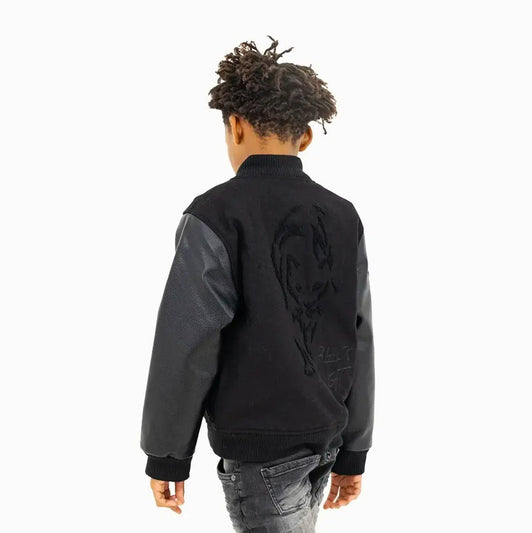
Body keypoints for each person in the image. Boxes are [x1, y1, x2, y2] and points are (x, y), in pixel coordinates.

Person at [140, 35, 375, 532]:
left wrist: (167, 454)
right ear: (305, 137)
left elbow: (187, 342)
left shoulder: (214, 215)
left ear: (236, 126)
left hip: (260, 454)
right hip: (326, 442)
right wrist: (355, 448)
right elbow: (359, 336)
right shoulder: (343, 215)